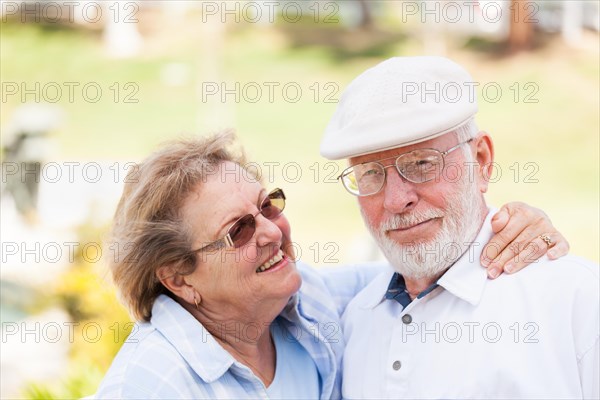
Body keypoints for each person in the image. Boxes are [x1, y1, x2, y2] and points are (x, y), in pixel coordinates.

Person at [94, 131, 568, 399]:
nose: (271, 231)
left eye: (269, 205)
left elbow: (426, 270)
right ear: (179, 278)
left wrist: (507, 226)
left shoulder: (313, 305)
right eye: (237, 231)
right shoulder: (149, 384)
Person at [320, 56, 599, 399]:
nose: (395, 200)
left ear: (481, 160)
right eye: (370, 174)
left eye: (422, 163)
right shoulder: (355, 321)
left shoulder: (578, 302)